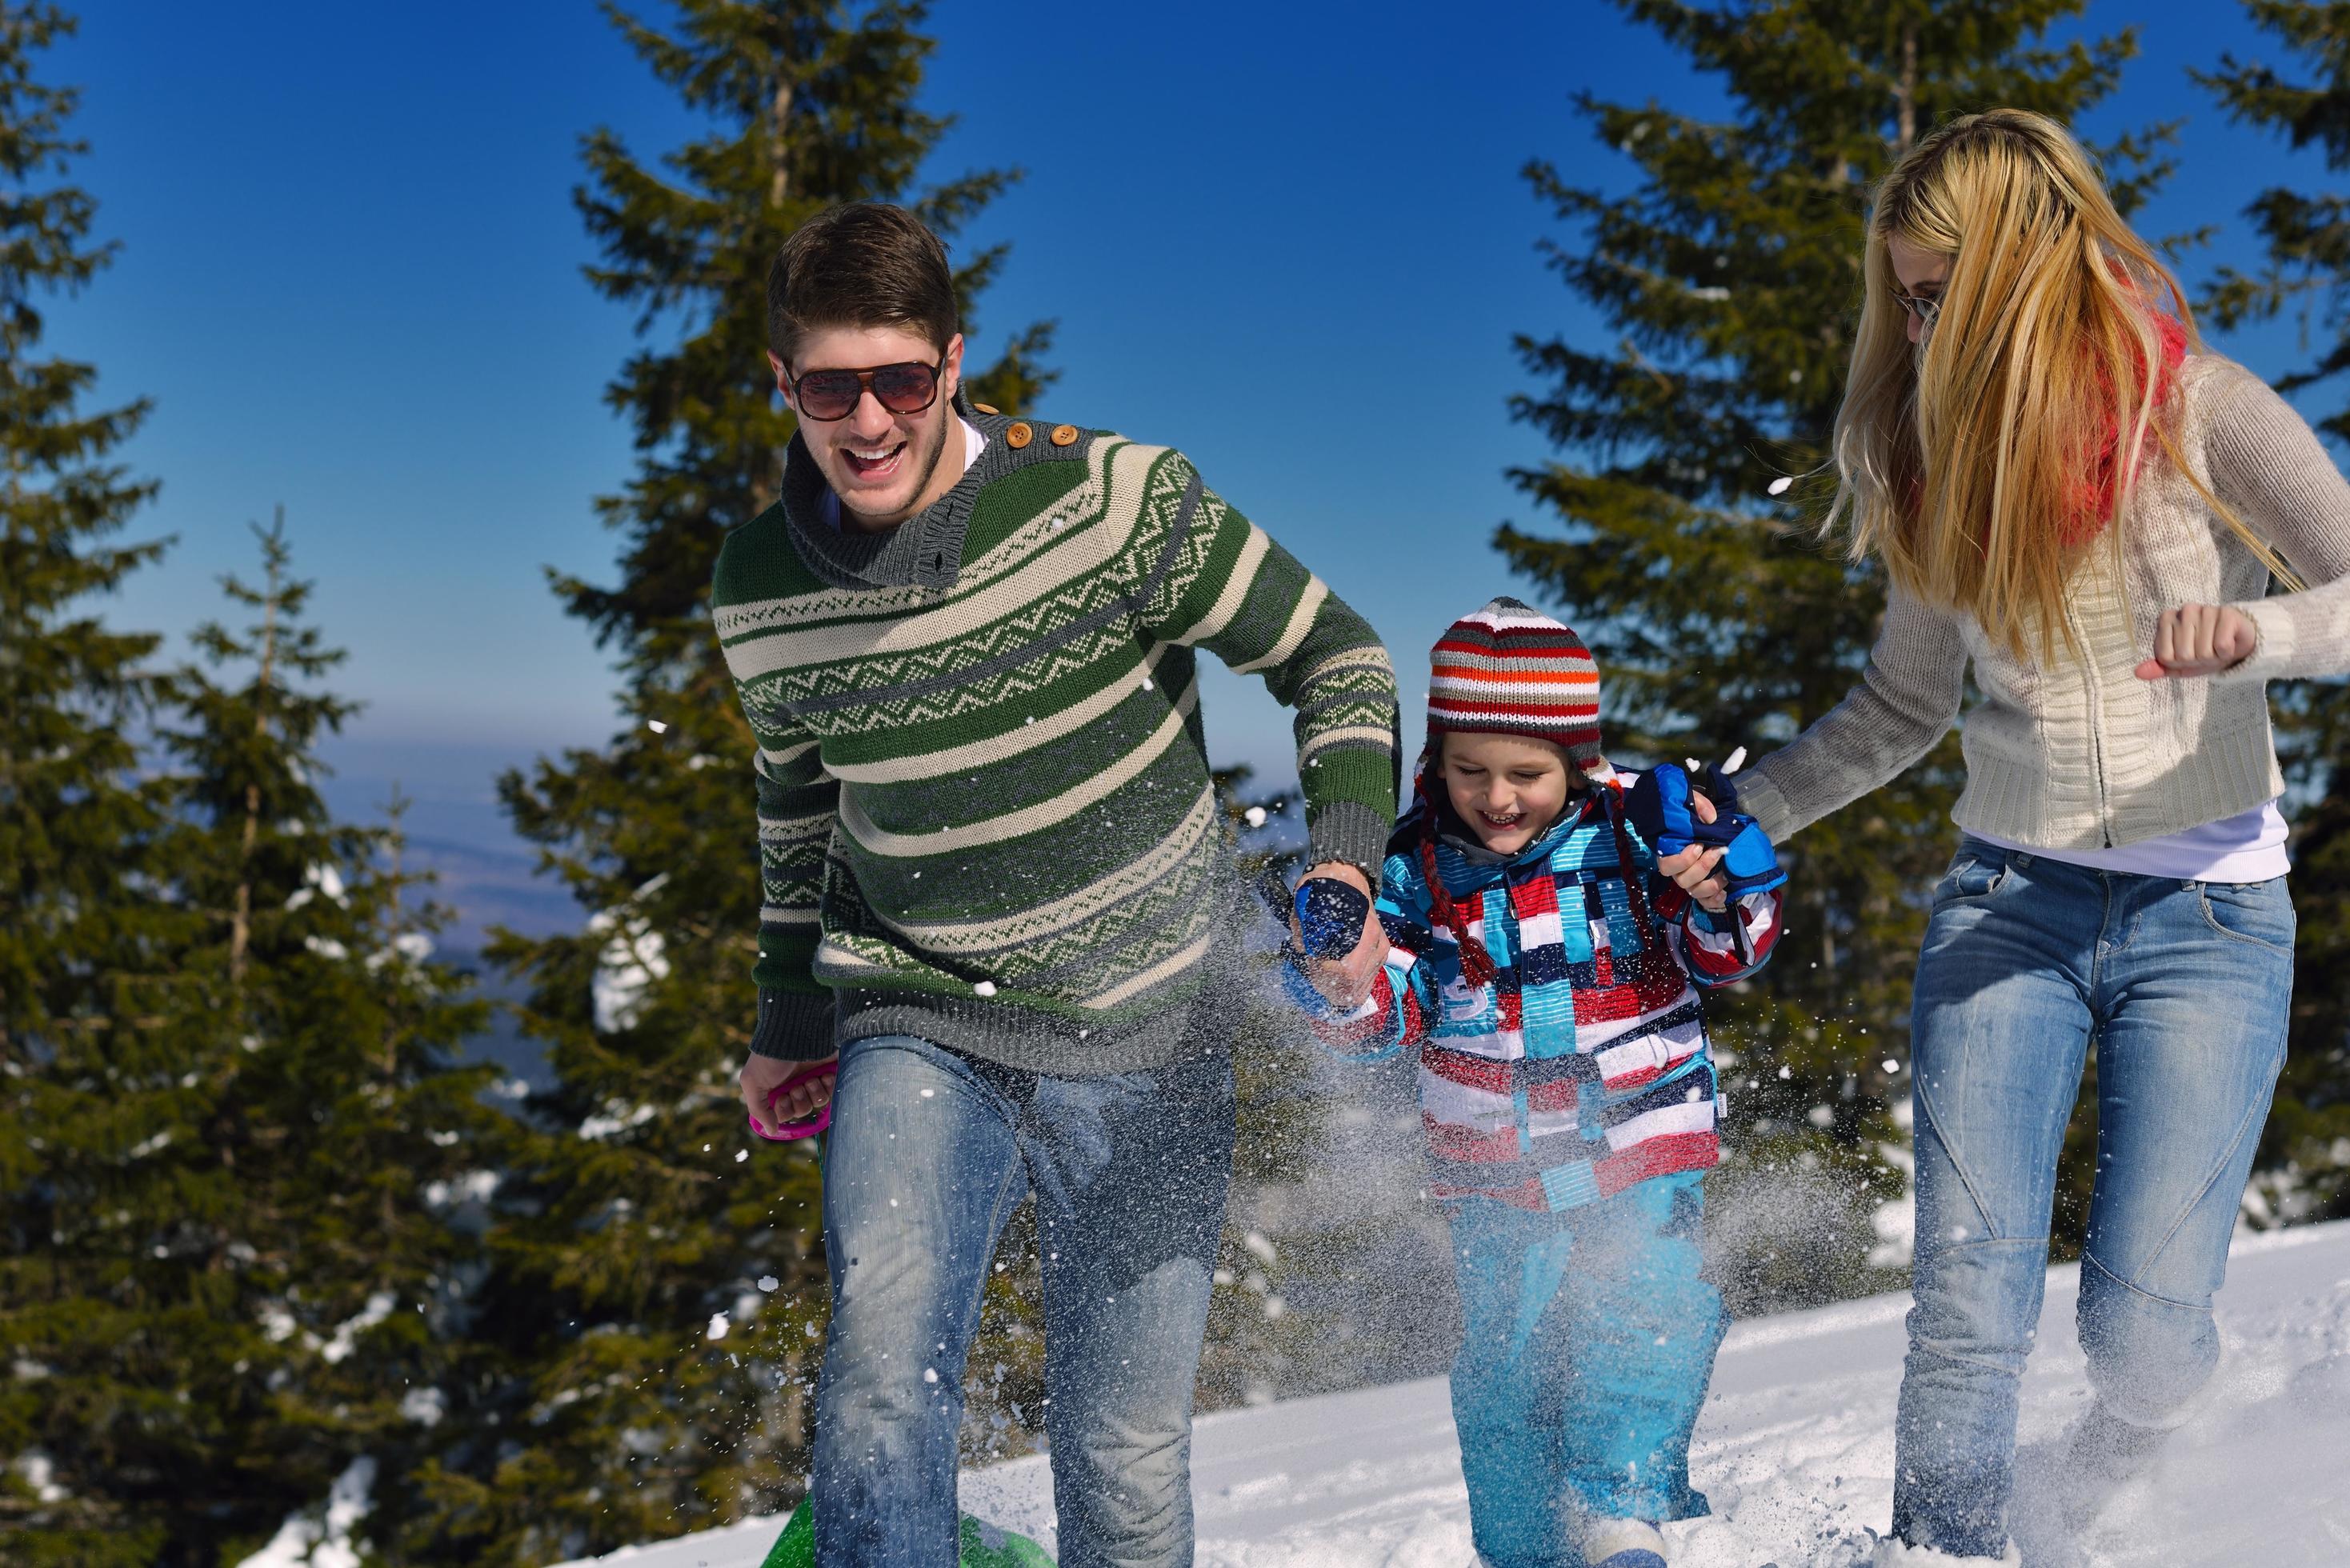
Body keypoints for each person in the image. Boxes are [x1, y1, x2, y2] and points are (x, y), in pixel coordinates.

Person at [707, 202, 1400, 1567]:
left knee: (1121, 1452)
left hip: (1157, 1023)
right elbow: (796, 809)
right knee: (875, 1391)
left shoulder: (1109, 499)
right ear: (783, 385)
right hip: (919, 1012)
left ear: (952, 364)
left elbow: (1337, 653)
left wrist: (1346, 854)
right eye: (829, 387)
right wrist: (788, 1017)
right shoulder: (759, 585)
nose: (867, 423)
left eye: (899, 381)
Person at [1715, 110, 2350, 1565]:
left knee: (2140, 1334)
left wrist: (2251, 632)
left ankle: (2125, 1479)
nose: (1922, 324)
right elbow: (1899, 705)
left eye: (1944, 292)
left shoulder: (2200, 413)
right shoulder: (1938, 458)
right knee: (1962, 1299)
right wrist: (1741, 817)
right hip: (2006, 905)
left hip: (2211, 919)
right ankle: (1938, 1554)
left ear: (2027, 264)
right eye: (1910, 299)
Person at [1295, 598, 1786, 1568]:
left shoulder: (1644, 834)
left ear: (1577, 759)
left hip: (1640, 1134)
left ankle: (1623, 1513)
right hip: (1496, 1169)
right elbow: (1389, 1017)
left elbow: (1726, 956)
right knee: (1510, 1365)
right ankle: (1529, 1551)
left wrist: (1731, 889)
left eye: (1527, 773)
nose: (1498, 796)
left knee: (1648, 1299)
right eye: (1469, 770)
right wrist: (1343, 986)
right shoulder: (1408, 869)